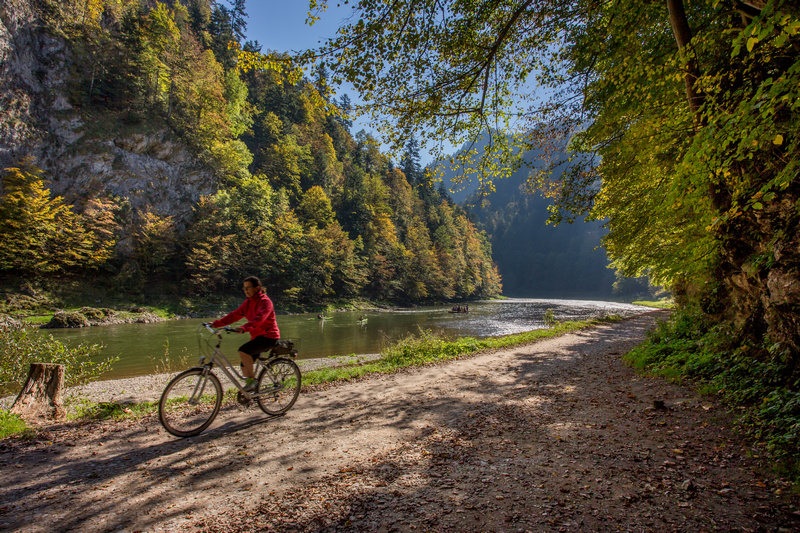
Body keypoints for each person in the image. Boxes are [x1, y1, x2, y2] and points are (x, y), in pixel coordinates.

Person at [211, 276, 280, 392]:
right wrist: (215, 324)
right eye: (244, 288)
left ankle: (252, 382)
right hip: (257, 337)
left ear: (257, 288)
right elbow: (234, 315)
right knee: (243, 365)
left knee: (243, 350)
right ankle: (252, 389)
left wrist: (244, 328)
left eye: (248, 288)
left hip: (269, 337)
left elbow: (259, 318)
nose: (246, 291)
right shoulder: (248, 303)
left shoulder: (265, 302)